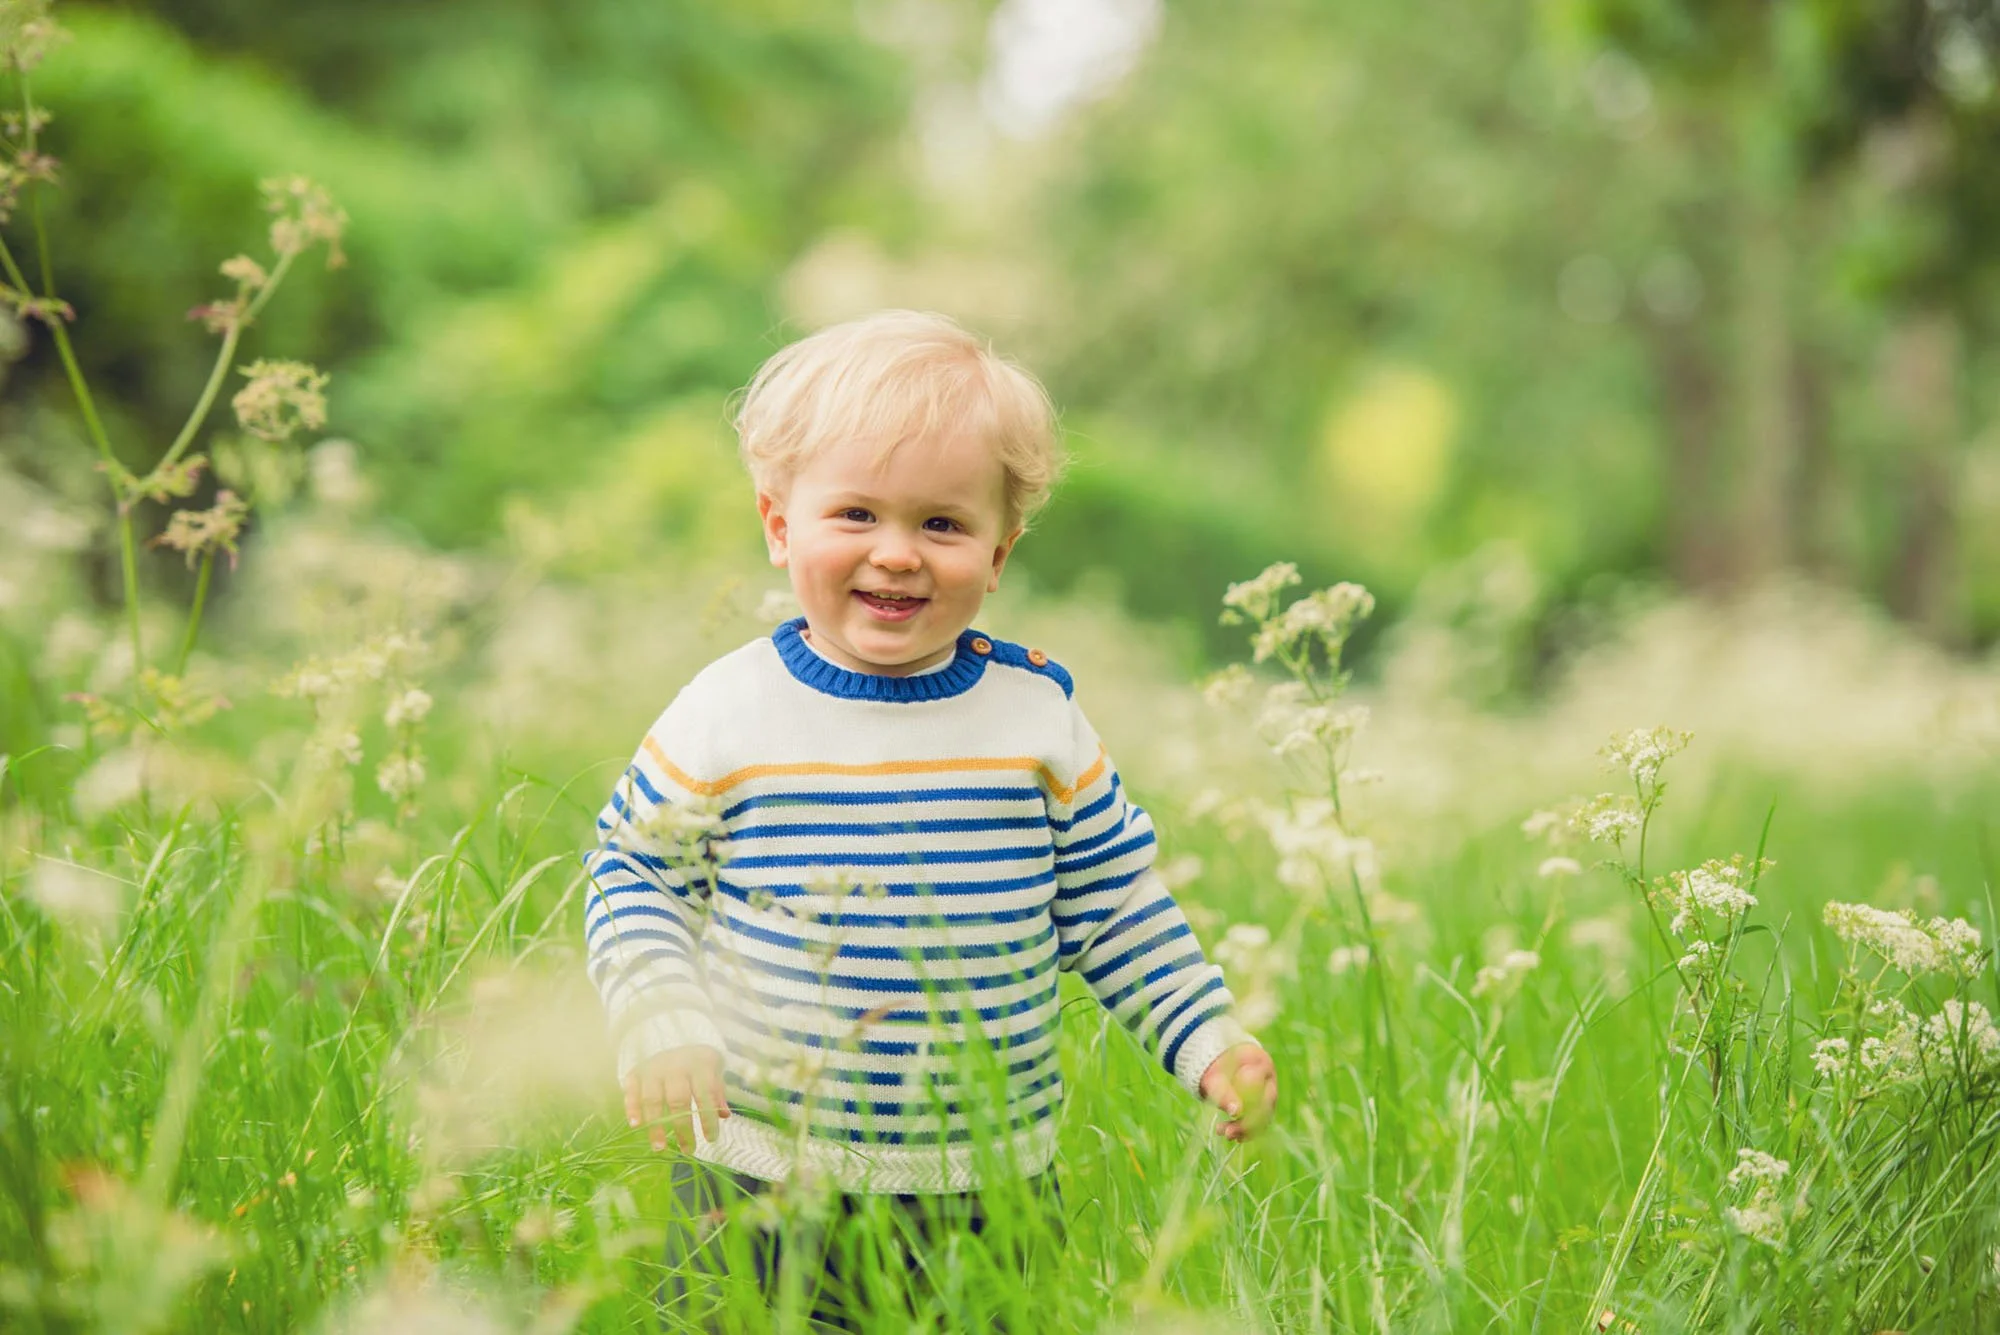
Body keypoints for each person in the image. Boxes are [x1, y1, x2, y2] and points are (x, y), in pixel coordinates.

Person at [582, 309, 1279, 1330]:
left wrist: (1204, 1039)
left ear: (998, 552)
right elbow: (634, 875)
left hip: (987, 1183)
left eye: (941, 525)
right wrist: (660, 1012)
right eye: (856, 515)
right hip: (764, 1170)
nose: (897, 555)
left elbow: (1112, 907)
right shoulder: (727, 712)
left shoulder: (1035, 721)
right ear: (780, 527)